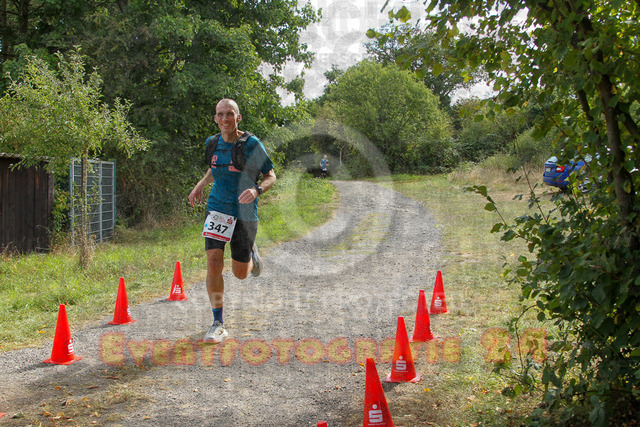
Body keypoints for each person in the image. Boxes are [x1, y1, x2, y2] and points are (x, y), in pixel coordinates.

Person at [188, 98, 276, 343]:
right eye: (220, 114)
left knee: (240, 273)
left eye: (230, 114)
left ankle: (251, 253)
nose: (225, 118)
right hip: (217, 208)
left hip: (244, 212)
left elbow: (270, 175)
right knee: (214, 262)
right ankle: (217, 323)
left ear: (238, 118)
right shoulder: (212, 143)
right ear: (215, 118)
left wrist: (257, 190)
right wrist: (200, 185)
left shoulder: (251, 144)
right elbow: (215, 167)